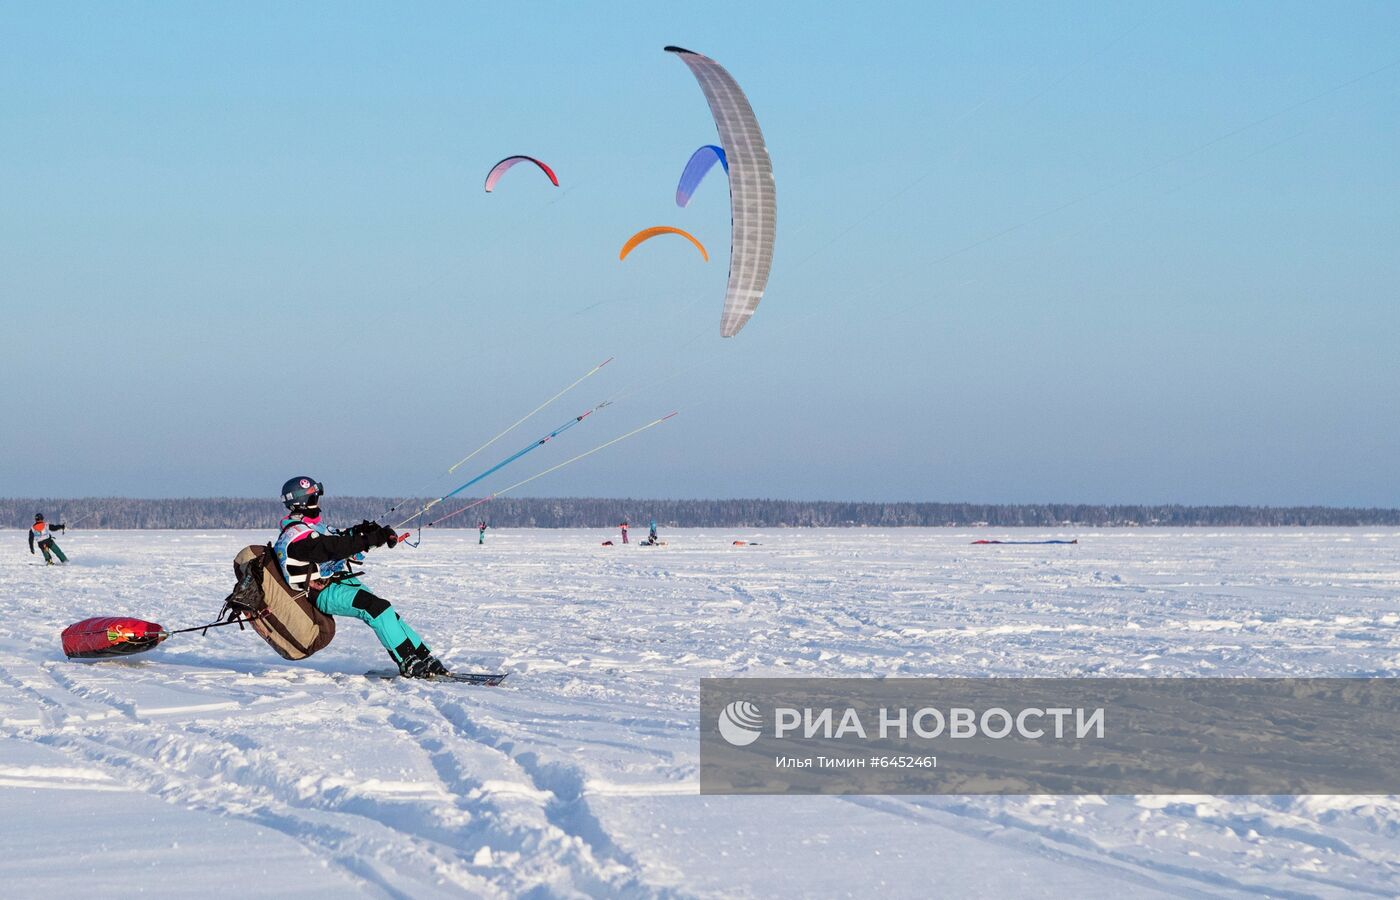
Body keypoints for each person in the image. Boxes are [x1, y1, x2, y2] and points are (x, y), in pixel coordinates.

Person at [273, 476, 448, 678]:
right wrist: (367, 539)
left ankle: (422, 656)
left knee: (385, 610)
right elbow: (331, 548)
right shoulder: (294, 535)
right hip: (321, 593)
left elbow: (340, 539)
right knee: (375, 609)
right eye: (315, 496)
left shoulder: (312, 527)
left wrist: (365, 532)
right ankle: (407, 660)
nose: (318, 501)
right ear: (305, 501)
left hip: (340, 581)